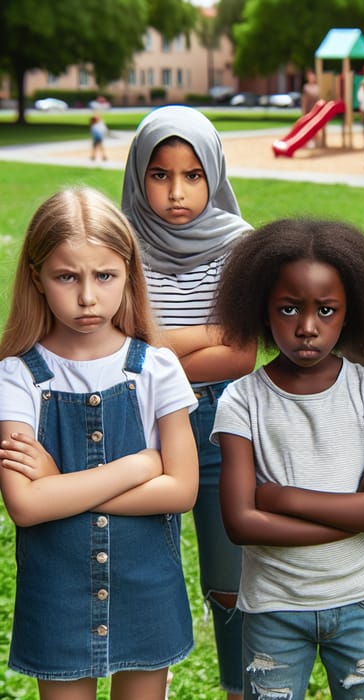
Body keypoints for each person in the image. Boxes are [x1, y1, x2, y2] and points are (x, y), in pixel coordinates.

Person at [0, 187, 198, 700]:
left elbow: (181, 490)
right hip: (56, 595)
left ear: (129, 274)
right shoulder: (18, 377)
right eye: (67, 276)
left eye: (104, 276)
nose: (87, 297)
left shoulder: (157, 367)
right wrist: (140, 465)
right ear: (38, 280)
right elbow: (24, 504)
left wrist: (58, 487)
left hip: (145, 588)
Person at [210, 218, 364, 699]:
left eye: (326, 310)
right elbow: (241, 523)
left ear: (350, 312)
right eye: (288, 309)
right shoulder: (241, 401)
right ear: (261, 309)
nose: (306, 327)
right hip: (275, 607)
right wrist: (358, 512)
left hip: (363, 601)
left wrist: (281, 496)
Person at [121, 105, 257, 700]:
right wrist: (208, 337)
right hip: (137, 425)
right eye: (160, 174)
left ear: (215, 174)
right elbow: (115, 346)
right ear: (137, 176)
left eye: (193, 174)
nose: (177, 192)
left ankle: (239, 688)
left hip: (220, 425)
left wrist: (156, 347)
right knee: (143, 578)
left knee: (232, 582)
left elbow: (240, 357)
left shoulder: (241, 245)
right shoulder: (120, 245)